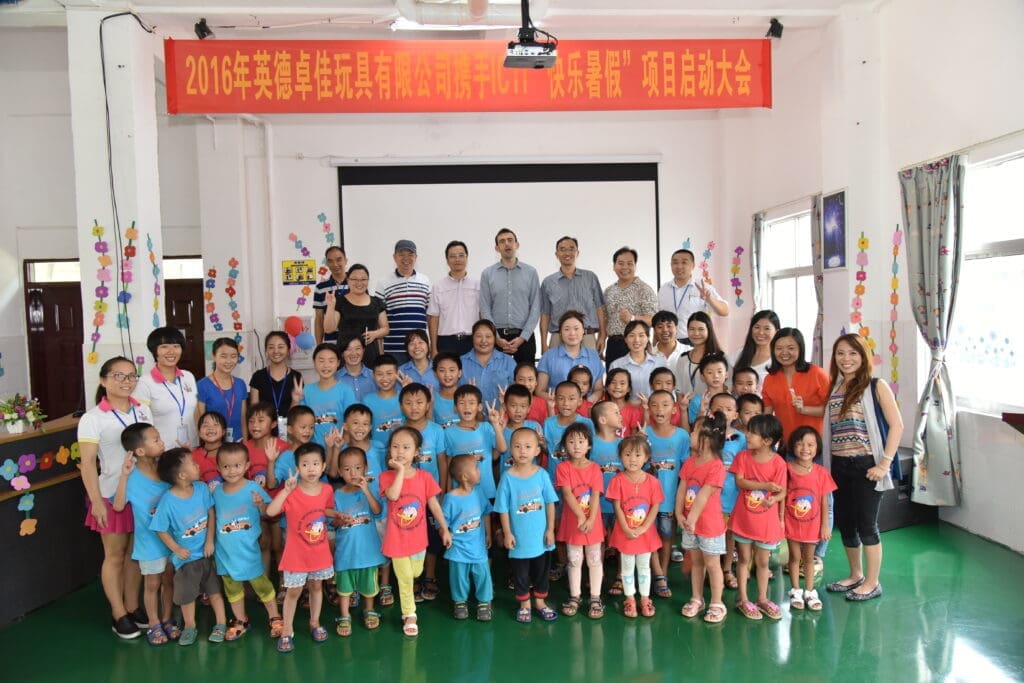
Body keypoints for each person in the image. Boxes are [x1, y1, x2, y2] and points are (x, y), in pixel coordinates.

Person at [822, 333, 902, 602]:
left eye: (853, 353)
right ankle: (855, 575)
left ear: (864, 356)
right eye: (840, 353)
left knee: (867, 526)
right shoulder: (835, 389)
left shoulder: (876, 386)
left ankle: (872, 582)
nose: (846, 359)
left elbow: (897, 426)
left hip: (867, 465)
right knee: (846, 525)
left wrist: (884, 464)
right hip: (839, 466)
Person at [79, 356, 152, 639]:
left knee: (136, 554)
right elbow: (88, 464)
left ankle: (133, 607)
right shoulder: (92, 418)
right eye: (119, 375)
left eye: (131, 375)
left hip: (141, 495)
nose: (126, 381)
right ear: (104, 380)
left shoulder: (143, 410)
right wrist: (97, 501)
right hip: (110, 495)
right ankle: (118, 613)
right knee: (115, 556)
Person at [150, 448, 228, 645]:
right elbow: (160, 529)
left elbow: (211, 513)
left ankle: (221, 623)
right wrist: (176, 549)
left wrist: (209, 540)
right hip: (186, 560)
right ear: (182, 475)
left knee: (215, 592)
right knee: (187, 597)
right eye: (193, 463)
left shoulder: (201, 488)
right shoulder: (168, 501)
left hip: (206, 555)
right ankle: (190, 626)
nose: (198, 465)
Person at [379, 427, 452, 636]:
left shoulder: (425, 477)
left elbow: (434, 505)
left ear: (416, 452)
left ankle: (411, 598)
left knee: (416, 572)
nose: (400, 451)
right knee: (405, 579)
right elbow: (393, 496)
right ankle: (409, 615)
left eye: (406, 447)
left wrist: (444, 528)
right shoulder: (386, 476)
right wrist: (400, 472)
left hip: (419, 539)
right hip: (396, 540)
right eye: (395, 447)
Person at [265, 443, 335, 652]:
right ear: (297, 468)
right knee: (293, 591)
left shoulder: (327, 490)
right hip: (296, 555)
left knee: (316, 587)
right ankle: (287, 630)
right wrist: (286, 491)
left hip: (319, 552)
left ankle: (314, 622)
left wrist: (338, 515)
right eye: (305, 464)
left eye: (315, 464)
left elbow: (325, 510)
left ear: (323, 466)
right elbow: (271, 512)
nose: (310, 468)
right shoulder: (292, 491)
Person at [208, 442, 281, 640]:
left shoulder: (253, 488)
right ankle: (241, 620)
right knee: (232, 589)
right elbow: (211, 518)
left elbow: (269, 512)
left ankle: (274, 617)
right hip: (225, 553)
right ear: (218, 467)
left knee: (262, 586)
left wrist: (260, 505)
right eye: (226, 466)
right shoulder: (216, 492)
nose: (232, 471)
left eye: (237, 465)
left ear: (247, 465)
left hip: (248, 551)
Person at [112, 422, 175, 645]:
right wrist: (123, 475)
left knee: (169, 580)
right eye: (156, 440)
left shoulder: (166, 469)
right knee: (152, 583)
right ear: (139, 450)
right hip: (149, 544)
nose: (162, 442)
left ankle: (167, 619)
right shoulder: (132, 477)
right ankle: (154, 623)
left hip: (172, 540)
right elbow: (118, 506)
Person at [495, 428, 560, 623]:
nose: (522, 450)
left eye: (528, 446)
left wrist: (550, 529)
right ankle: (524, 604)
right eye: (517, 446)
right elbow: (502, 509)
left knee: (541, 572)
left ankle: (540, 602)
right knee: (520, 574)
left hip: (541, 539)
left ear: (537, 451)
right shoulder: (507, 477)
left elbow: (550, 503)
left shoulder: (542, 475)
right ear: (510, 450)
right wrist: (507, 533)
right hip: (519, 540)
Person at [729, 414, 787, 621]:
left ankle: (762, 599)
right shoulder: (743, 457)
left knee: (763, 562)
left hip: (766, 523)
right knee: (743, 559)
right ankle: (743, 598)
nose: (747, 435)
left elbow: (782, 492)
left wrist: (774, 499)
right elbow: (740, 482)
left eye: (752, 432)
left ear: (767, 441)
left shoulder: (779, 463)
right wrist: (765, 486)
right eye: (748, 431)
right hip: (744, 519)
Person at [676, 411, 729, 624]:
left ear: (706, 438)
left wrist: (691, 519)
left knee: (712, 564)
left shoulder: (716, 466)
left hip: (708, 525)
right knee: (697, 562)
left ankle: (717, 602)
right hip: (690, 524)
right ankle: (697, 598)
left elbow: (703, 496)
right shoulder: (690, 462)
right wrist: (679, 514)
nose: (690, 434)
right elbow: (682, 489)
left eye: (694, 431)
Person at [606, 435, 663, 618]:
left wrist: (644, 528)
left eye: (638, 455)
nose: (632, 459)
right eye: (628, 454)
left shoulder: (653, 482)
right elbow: (617, 507)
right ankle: (630, 598)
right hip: (626, 533)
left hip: (645, 534)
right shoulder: (617, 481)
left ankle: (645, 598)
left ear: (646, 458)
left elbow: (655, 507)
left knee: (644, 566)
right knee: (627, 567)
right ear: (620, 457)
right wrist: (626, 529)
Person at [399, 383, 447, 601]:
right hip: (407, 498)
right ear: (401, 406)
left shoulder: (436, 430)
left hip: (430, 496)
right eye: (408, 403)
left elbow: (442, 461)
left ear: (428, 405)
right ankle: (413, 578)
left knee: (432, 537)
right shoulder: (399, 432)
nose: (414, 407)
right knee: (410, 536)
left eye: (419, 402)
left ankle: (429, 576)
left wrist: (442, 489)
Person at [331, 447, 385, 635]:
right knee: (344, 586)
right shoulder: (337, 495)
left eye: (357, 468)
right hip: (346, 552)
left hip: (368, 552)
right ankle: (344, 615)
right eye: (347, 469)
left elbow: (377, 511)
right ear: (340, 472)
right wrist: (340, 520)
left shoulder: (369, 490)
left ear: (365, 468)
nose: (353, 473)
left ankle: (369, 609)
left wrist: (367, 491)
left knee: (369, 585)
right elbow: (332, 523)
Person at [555, 423, 606, 619]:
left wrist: (591, 519)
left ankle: (595, 597)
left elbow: (595, 495)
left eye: (581, 441)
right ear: (565, 445)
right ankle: (575, 596)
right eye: (571, 442)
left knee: (594, 559)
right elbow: (567, 494)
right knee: (574, 559)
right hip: (573, 522)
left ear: (589, 445)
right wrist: (581, 517)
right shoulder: (562, 468)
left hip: (593, 522)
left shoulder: (595, 468)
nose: (576, 446)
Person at [645, 390, 691, 599]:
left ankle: (662, 573)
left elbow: (686, 471)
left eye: (665, 404)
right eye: (654, 405)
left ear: (674, 409)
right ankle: (656, 575)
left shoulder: (682, 436)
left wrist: (680, 503)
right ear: (648, 409)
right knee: (649, 538)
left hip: (670, 500)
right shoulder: (644, 433)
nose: (659, 409)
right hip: (646, 502)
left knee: (666, 538)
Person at [785, 427, 837, 611]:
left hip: (813, 525)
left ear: (817, 448)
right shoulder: (787, 469)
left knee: (809, 558)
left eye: (810, 445)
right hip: (791, 522)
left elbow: (825, 502)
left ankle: (809, 591)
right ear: (793, 446)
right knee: (794, 557)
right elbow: (782, 496)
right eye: (800, 444)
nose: (805, 449)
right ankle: (795, 590)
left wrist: (825, 525)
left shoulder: (822, 472)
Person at [441, 454, 494, 621]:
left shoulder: (479, 492)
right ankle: (460, 602)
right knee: (458, 577)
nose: (479, 472)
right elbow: (442, 523)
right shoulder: (450, 498)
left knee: (483, 574)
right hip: (458, 548)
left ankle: (484, 602)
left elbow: (486, 512)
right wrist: (445, 533)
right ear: (464, 476)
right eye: (476, 469)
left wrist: (489, 533)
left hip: (477, 546)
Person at [480, 228, 542, 364]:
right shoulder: (487, 274)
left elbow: (536, 307)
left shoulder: (531, 272)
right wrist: (496, 337)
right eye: (502, 241)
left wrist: (523, 337)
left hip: (524, 337)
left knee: (526, 377)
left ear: (517, 245)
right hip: (497, 338)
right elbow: (485, 308)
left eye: (510, 240)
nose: (507, 244)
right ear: (497, 248)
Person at [761, 328, 831, 446]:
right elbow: (767, 415)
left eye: (791, 348)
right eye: (779, 348)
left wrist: (804, 409)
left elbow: (831, 410)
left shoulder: (817, 374)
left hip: (815, 446)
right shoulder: (769, 379)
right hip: (787, 445)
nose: (784, 352)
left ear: (800, 349)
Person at [540, 236, 607, 355]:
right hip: (558, 337)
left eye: (571, 249)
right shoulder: (548, 282)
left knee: (590, 367)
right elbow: (545, 315)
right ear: (556, 254)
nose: (567, 253)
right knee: (556, 367)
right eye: (562, 249)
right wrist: (543, 343)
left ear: (577, 253)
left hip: (587, 336)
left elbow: (600, 308)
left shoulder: (590, 277)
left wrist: (602, 336)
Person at [135, 327, 199, 448]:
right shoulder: (144, 383)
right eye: (164, 347)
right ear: (155, 351)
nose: (171, 351)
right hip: (164, 451)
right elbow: (142, 423)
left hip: (192, 447)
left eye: (176, 346)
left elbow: (196, 411)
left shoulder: (188, 376)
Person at [443, 385, 507, 501]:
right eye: (462, 403)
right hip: (461, 493)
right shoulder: (448, 432)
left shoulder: (486, 427)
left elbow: (502, 449)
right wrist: (448, 492)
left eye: (472, 403)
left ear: (479, 407)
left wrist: (495, 425)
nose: (467, 407)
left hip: (487, 490)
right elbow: (449, 465)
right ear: (455, 407)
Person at [377, 240, 431, 365]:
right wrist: (380, 351)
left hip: (419, 349)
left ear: (416, 257)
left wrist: (431, 345)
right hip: (394, 349)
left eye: (410, 254)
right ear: (394, 257)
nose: (406, 258)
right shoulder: (383, 283)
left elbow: (430, 316)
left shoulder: (425, 281)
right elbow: (379, 321)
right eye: (401, 254)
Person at [603, 246, 658, 367]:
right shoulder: (609, 291)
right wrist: (602, 341)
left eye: (629, 263)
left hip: (636, 344)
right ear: (614, 266)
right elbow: (606, 320)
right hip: (613, 345)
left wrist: (633, 318)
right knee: (613, 378)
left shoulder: (644, 289)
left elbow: (654, 320)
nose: (625, 267)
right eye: (621, 263)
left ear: (635, 266)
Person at [657, 249, 728, 341]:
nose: (679, 266)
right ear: (671, 265)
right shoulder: (664, 289)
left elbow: (725, 311)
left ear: (693, 265)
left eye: (684, 262)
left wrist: (710, 299)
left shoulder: (702, 287)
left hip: (695, 339)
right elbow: (658, 317)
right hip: (669, 340)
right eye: (675, 263)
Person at [324, 264, 389, 364]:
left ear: (368, 281)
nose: (359, 283)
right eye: (355, 279)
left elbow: (385, 328)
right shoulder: (340, 301)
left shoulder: (377, 302)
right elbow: (329, 329)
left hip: (370, 354)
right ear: (348, 280)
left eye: (363, 279)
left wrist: (375, 334)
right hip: (347, 354)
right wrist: (330, 306)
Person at [428, 240, 480, 357]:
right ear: (447, 260)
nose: (457, 259)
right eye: (453, 256)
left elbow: (482, 314)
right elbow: (434, 318)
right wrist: (434, 348)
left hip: (472, 341)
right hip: (446, 342)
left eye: (461, 255)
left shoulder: (477, 284)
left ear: (467, 258)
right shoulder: (438, 286)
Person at [536, 310, 606, 398]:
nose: (572, 333)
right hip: (556, 404)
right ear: (560, 333)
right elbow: (540, 391)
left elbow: (599, 389)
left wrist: (588, 402)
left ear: (583, 331)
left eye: (576, 329)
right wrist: (562, 400)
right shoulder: (548, 356)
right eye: (567, 329)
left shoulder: (594, 356)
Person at [302, 343, 356, 449]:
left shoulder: (346, 390)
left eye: (331, 361)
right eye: (321, 361)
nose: (326, 365)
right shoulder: (307, 390)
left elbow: (351, 422)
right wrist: (295, 400)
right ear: (314, 362)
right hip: (314, 451)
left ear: (338, 363)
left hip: (339, 449)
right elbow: (299, 420)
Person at [196, 338, 248, 442]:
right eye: (223, 356)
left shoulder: (240, 384)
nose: (229, 361)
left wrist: (246, 443)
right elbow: (200, 421)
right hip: (214, 443)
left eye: (233, 356)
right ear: (214, 356)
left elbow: (243, 418)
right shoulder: (202, 385)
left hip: (238, 442)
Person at [542, 381, 595, 482]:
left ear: (580, 401)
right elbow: (549, 450)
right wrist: (542, 444)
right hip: (554, 478)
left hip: (579, 480)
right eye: (561, 398)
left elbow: (591, 452)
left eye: (571, 399)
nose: (566, 403)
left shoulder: (587, 423)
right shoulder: (548, 423)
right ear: (555, 399)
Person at [459, 319, 516, 412]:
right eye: (479, 336)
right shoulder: (461, 362)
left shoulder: (508, 362)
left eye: (488, 336)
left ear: (495, 339)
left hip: (501, 417)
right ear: (472, 338)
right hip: (469, 417)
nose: (483, 341)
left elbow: (517, 393)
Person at [249, 331, 304, 425]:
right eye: (271, 347)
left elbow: (296, 414)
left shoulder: (296, 377)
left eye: (280, 347)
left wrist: (295, 401)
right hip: (264, 430)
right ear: (266, 350)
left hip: (289, 428)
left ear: (288, 349)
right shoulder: (258, 376)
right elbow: (254, 412)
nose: (276, 351)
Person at [610, 320, 665, 399]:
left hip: (654, 406)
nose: (636, 340)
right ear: (625, 339)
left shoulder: (660, 363)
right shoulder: (616, 365)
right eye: (631, 335)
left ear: (648, 338)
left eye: (641, 335)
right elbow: (612, 393)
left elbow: (668, 391)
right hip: (627, 406)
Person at [675, 312, 724, 397]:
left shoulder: (720, 357)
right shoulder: (683, 358)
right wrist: (683, 405)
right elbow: (679, 390)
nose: (696, 333)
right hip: (686, 404)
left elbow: (727, 388)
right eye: (692, 329)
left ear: (709, 330)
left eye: (701, 329)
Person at [730, 310, 780, 392]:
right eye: (757, 327)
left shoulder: (779, 358)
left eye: (767, 328)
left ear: (776, 332)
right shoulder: (740, 353)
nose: (761, 332)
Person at [364, 355, 405, 450]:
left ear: (397, 373)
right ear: (373, 375)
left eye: (389, 373)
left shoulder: (405, 398)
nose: (385, 378)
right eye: (379, 374)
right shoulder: (367, 400)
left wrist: (408, 390)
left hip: (401, 451)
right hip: (376, 451)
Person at [313, 246, 349, 345]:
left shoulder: (357, 284)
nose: (335, 264)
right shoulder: (320, 288)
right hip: (331, 344)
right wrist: (319, 346)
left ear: (346, 261)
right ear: (327, 264)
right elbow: (319, 319)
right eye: (330, 261)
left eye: (338, 260)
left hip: (353, 344)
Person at [685, 353, 730, 430]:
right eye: (710, 372)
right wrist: (702, 412)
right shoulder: (696, 401)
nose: (715, 376)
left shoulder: (732, 399)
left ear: (726, 374)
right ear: (702, 377)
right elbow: (693, 428)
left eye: (719, 372)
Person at [602, 369, 645, 436]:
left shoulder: (633, 411)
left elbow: (633, 436)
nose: (617, 387)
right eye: (613, 382)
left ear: (629, 388)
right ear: (606, 387)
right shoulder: (600, 409)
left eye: (622, 383)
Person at [336, 334, 377, 401]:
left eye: (357, 348)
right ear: (342, 353)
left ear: (363, 350)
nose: (353, 353)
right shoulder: (335, 378)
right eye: (348, 349)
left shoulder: (375, 376)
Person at [193, 411, 227, 488]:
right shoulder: (192, 455)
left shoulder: (230, 453)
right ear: (199, 432)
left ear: (223, 431)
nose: (210, 428)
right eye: (205, 425)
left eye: (215, 425)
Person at [431, 352, 462, 429]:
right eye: (442, 370)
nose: (447, 374)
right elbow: (430, 426)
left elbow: (479, 421)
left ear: (459, 373)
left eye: (452, 370)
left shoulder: (468, 395)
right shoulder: (432, 398)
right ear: (435, 374)